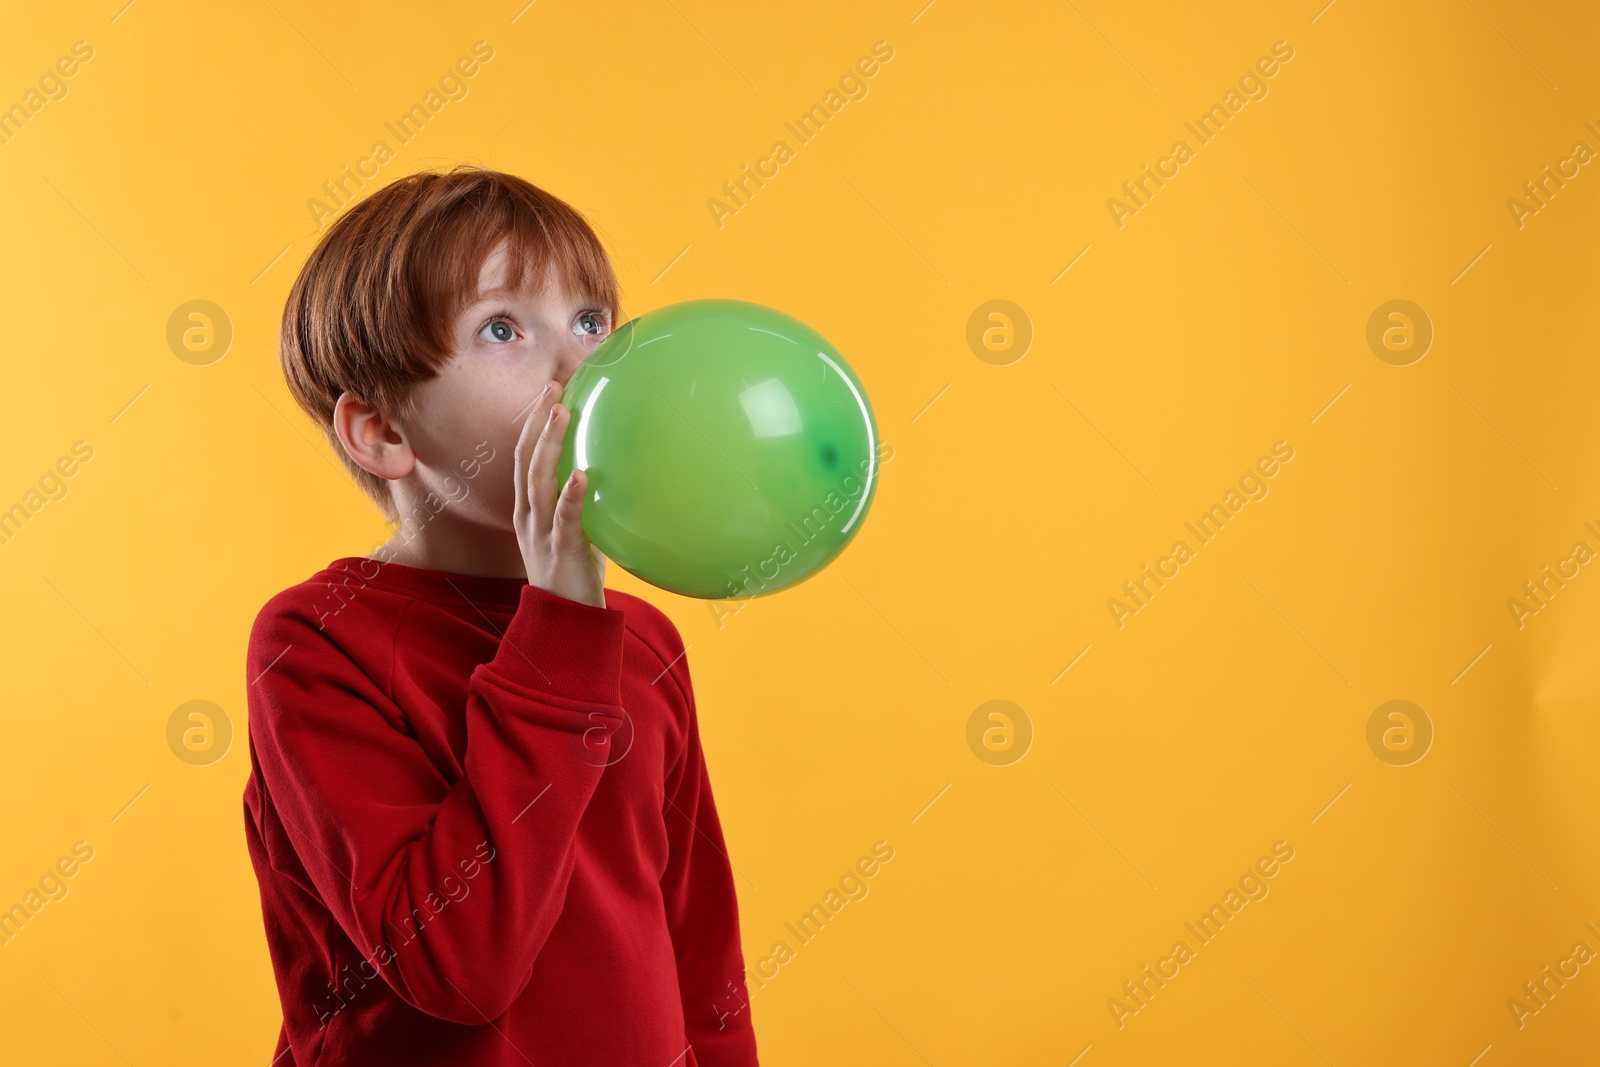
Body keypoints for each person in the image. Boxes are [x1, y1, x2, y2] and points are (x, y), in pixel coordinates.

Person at [241, 166, 758, 1066]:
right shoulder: (318, 644)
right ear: (385, 432)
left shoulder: (643, 642)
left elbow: (702, 956)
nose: (580, 365)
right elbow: (460, 966)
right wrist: (558, 625)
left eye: (592, 321)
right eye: (503, 328)